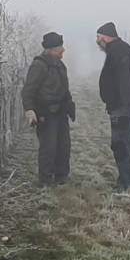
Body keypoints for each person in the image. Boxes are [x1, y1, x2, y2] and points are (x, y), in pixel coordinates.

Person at [22, 31, 75, 186]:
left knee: (64, 146)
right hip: (46, 113)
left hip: (60, 112)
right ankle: (45, 180)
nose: (63, 50)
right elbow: (28, 90)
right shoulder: (39, 65)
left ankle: (61, 177)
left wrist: (70, 106)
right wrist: (30, 110)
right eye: (60, 47)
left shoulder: (60, 65)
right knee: (48, 148)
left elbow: (65, 88)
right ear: (51, 49)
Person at [95, 22, 130, 191]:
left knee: (120, 144)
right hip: (122, 104)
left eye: (98, 38)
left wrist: (115, 101)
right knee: (122, 142)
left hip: (122, 105)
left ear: (106, 37)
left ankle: (125, 183)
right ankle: (128, 180)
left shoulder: (117, 50)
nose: (97, 42)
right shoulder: (119, 49)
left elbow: (121, 79)